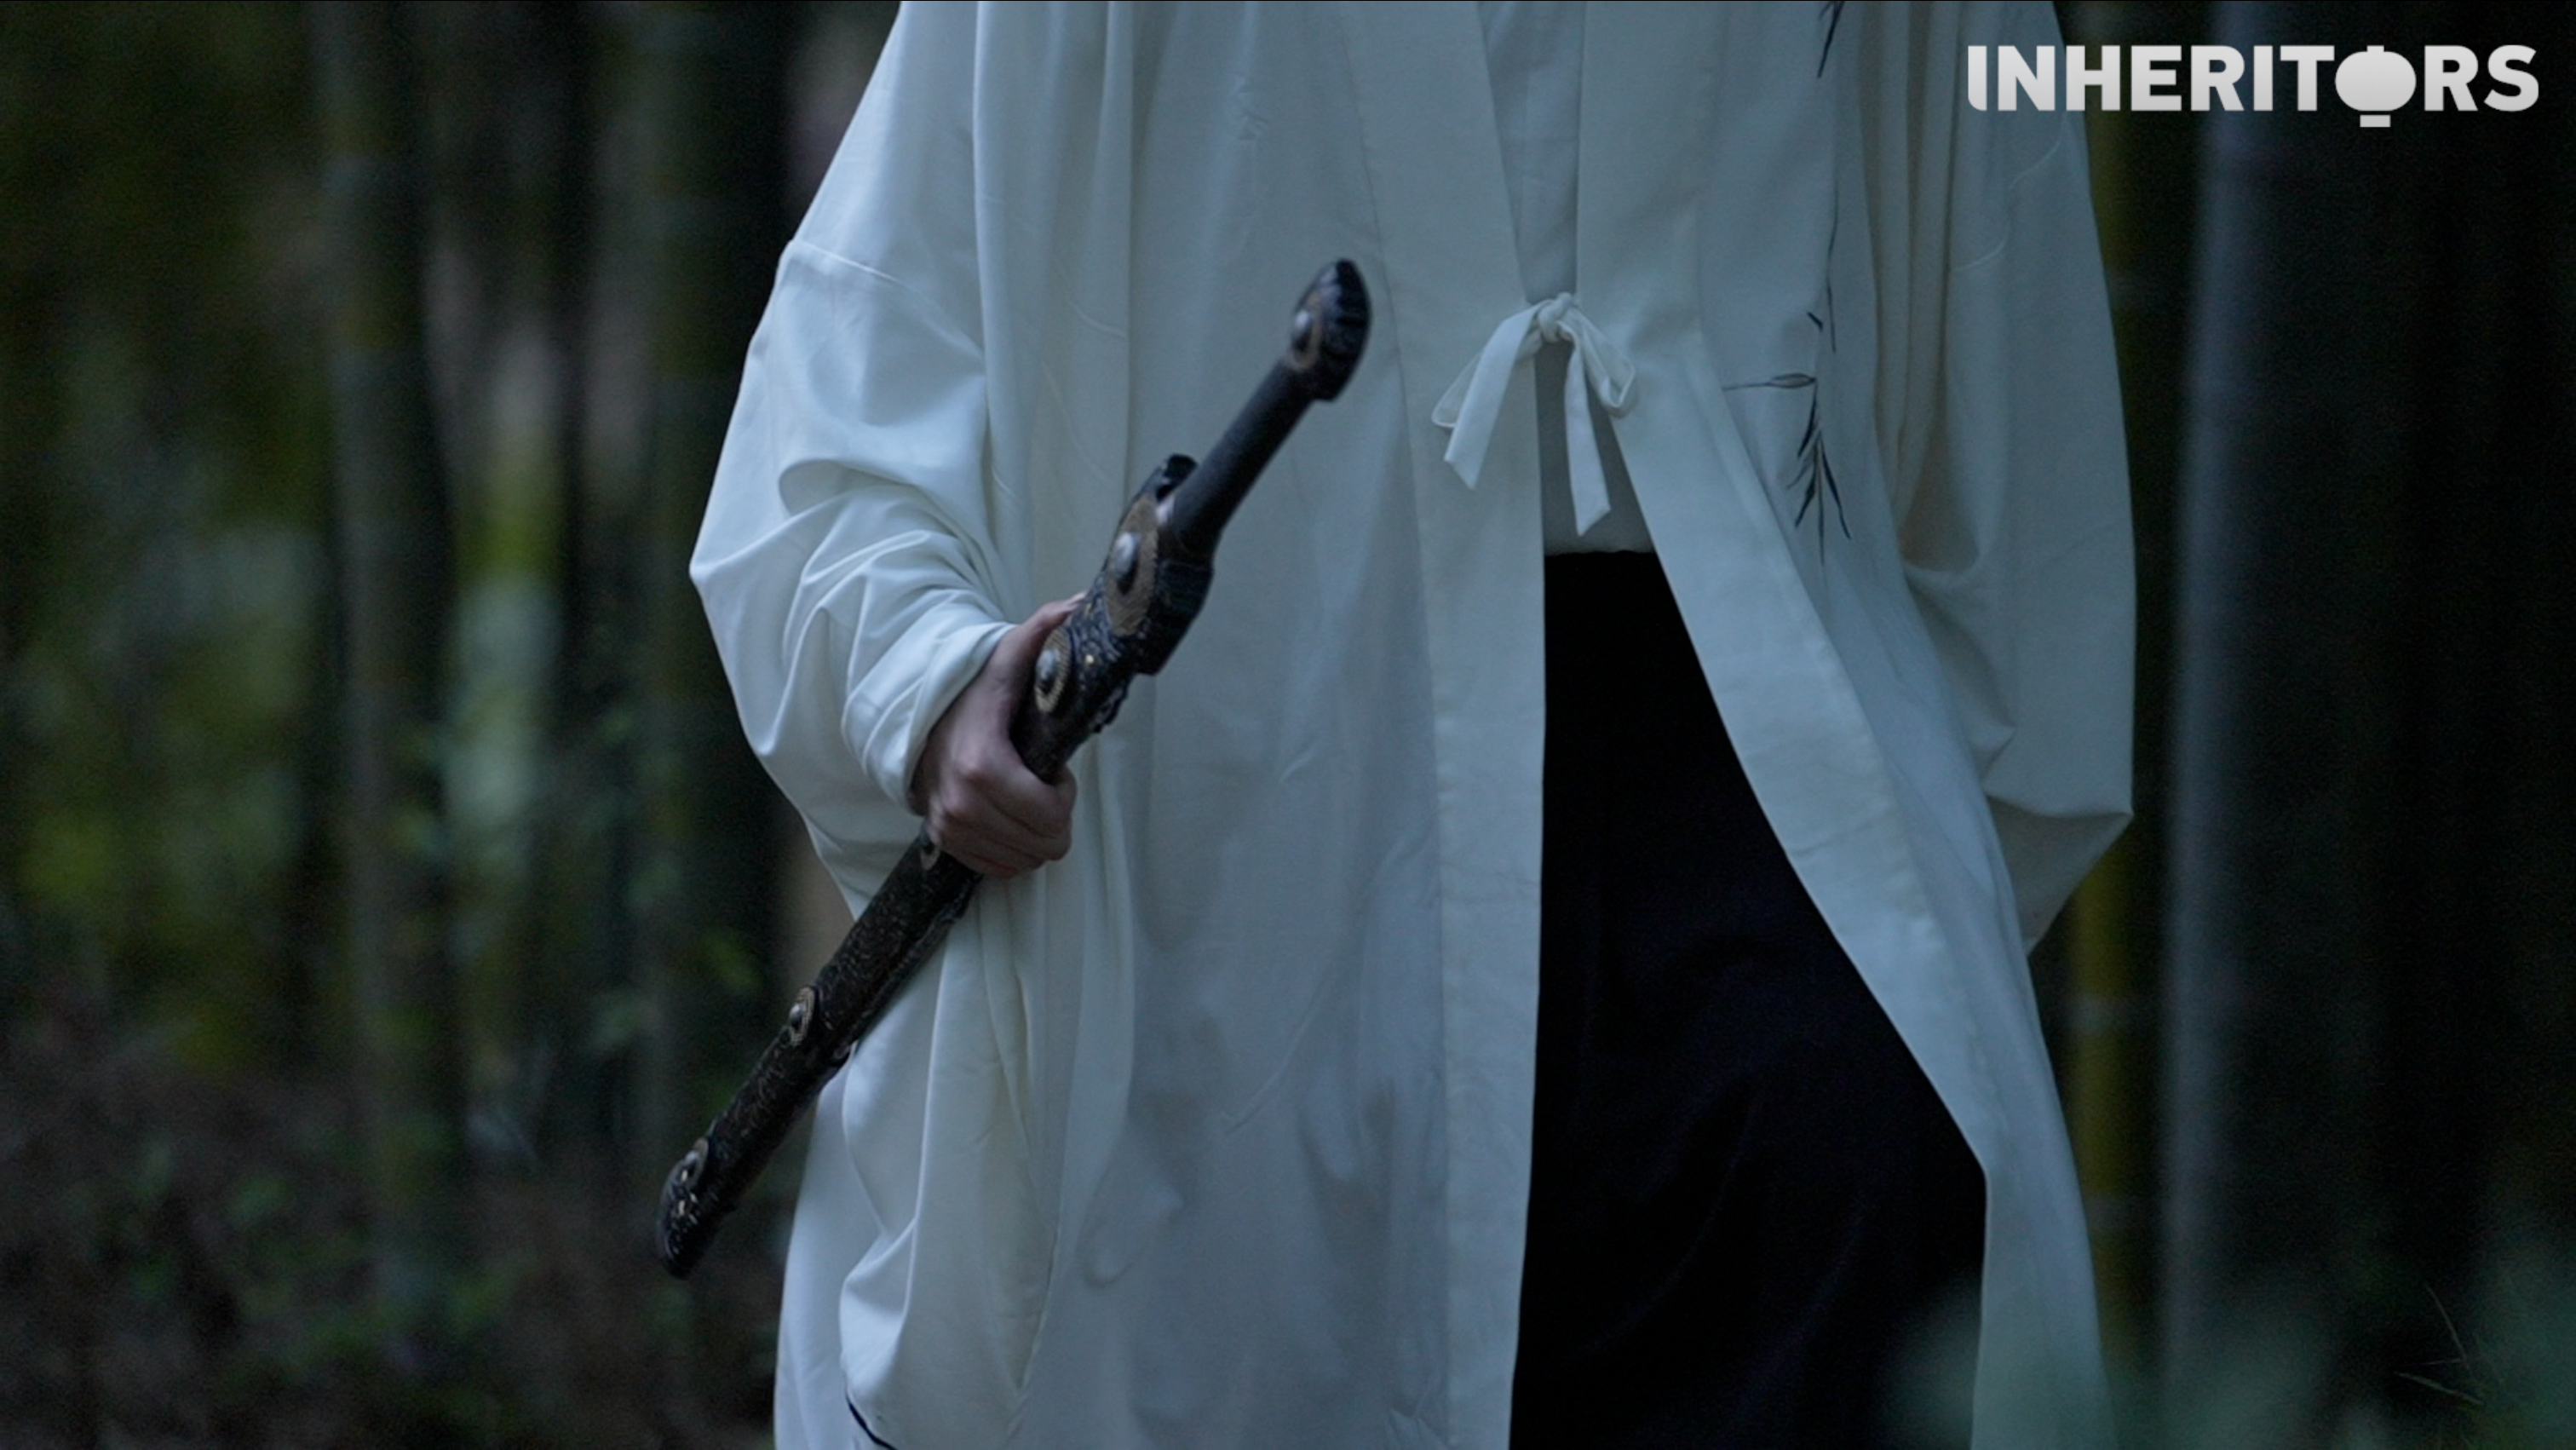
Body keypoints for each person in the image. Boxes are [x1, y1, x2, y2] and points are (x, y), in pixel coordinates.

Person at [694, 3, 2131, 1446]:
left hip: (1763, 761)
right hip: (1228, 789)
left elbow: (2002, 403)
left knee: (1862, 1188)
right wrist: (927, 680)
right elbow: (868, 352)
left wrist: (1933, 845)